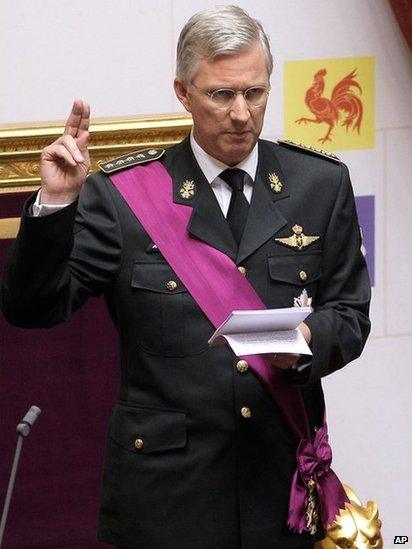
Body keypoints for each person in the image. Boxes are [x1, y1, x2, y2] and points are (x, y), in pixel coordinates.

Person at [0, 5, 371, 549]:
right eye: (221, 94)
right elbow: (33, 308)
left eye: (255, 92)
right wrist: (56, 203)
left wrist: (311, 343)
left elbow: (350, 314)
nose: (242, 114)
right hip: (168, 499)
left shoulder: (320, 183)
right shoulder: (125, 195)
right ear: (182, 91)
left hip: (279, 486)